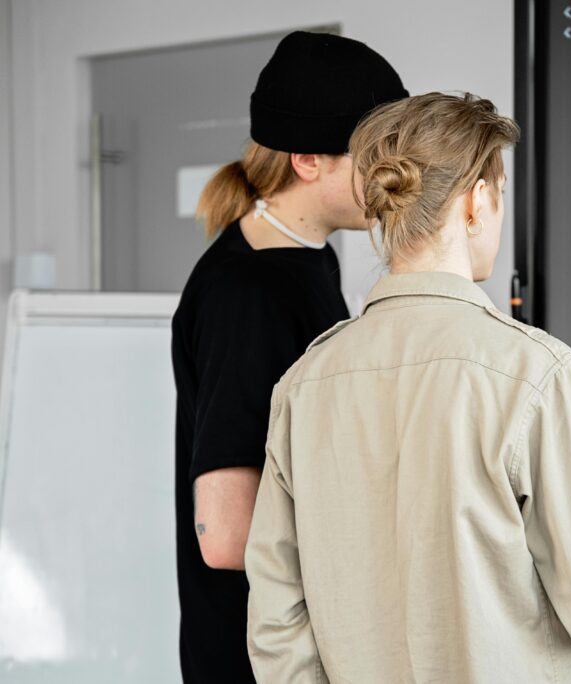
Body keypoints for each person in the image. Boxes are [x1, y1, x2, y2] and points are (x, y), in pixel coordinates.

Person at [244, 92, 571, 683]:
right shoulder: (539, 374)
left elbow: (276, 627)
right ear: (476, 203)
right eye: (499, 197)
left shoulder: (304, 384)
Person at [170, 31, 407, 683]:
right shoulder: (247, 294)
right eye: (378, 156)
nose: (398, 176)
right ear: (307, 160)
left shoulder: (307, 261)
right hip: (259, 661)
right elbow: (224, 534)